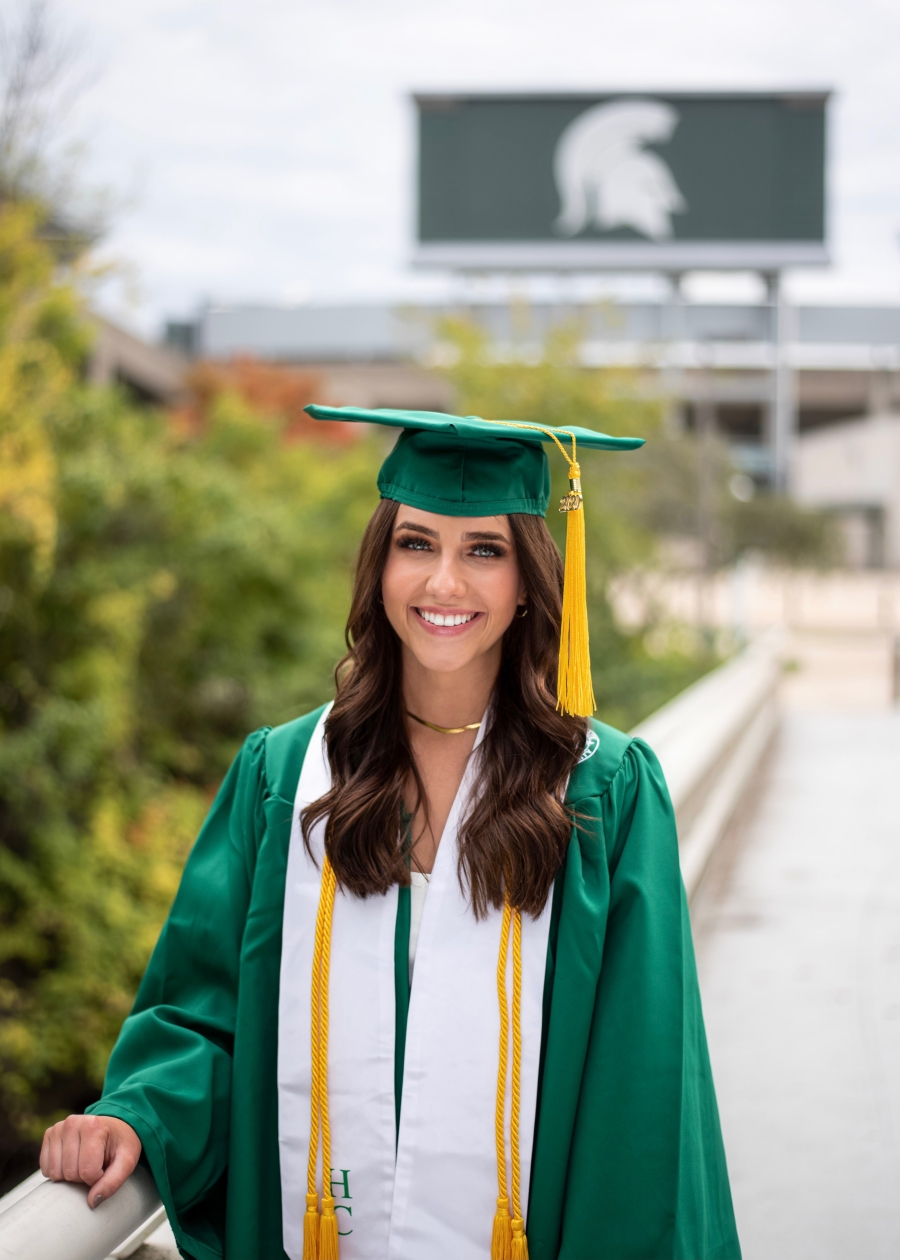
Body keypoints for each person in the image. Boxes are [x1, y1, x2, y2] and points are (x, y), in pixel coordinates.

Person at [40, 407, 741, 1260]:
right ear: (379, 568)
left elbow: (642, 1092)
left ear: (529, 582)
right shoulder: (286, 777)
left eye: (484, 550)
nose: (444, 582)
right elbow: (204, 1011)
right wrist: (136, 1113)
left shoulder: (603, 793)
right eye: (417, 544)